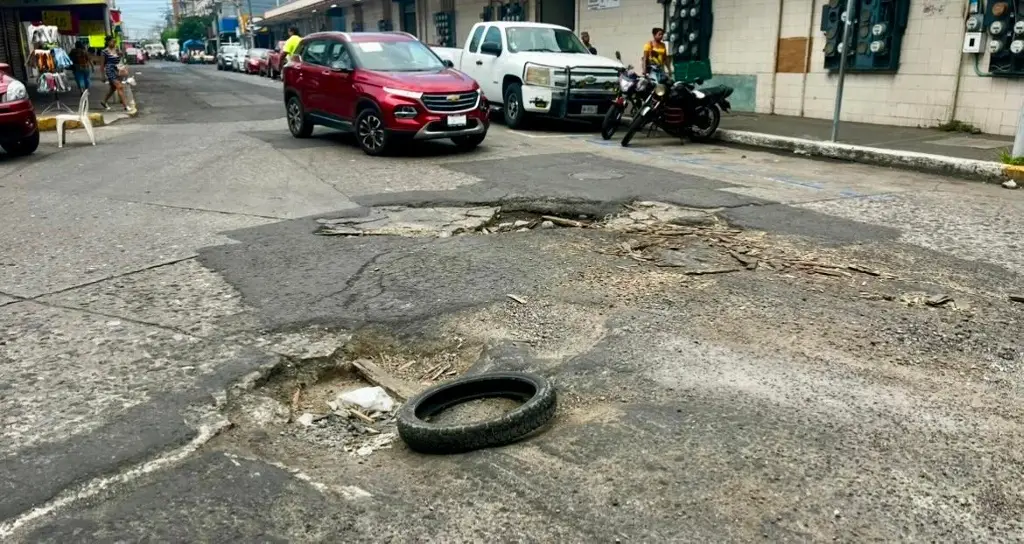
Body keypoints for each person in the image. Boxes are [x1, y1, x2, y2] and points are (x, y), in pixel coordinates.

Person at [100, 36, 130, 112]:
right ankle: (126, 106)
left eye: (115, 42)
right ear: (108, 42)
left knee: (113, 88)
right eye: (112, 41)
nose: (114, 43)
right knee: (120, 87)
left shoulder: (117, 49)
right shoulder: (104, 52)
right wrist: (103, 75)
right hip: (110, 70)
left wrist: (121, 52)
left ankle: (104, 101)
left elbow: (121, 58)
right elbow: (102, 64)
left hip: (118, 70)